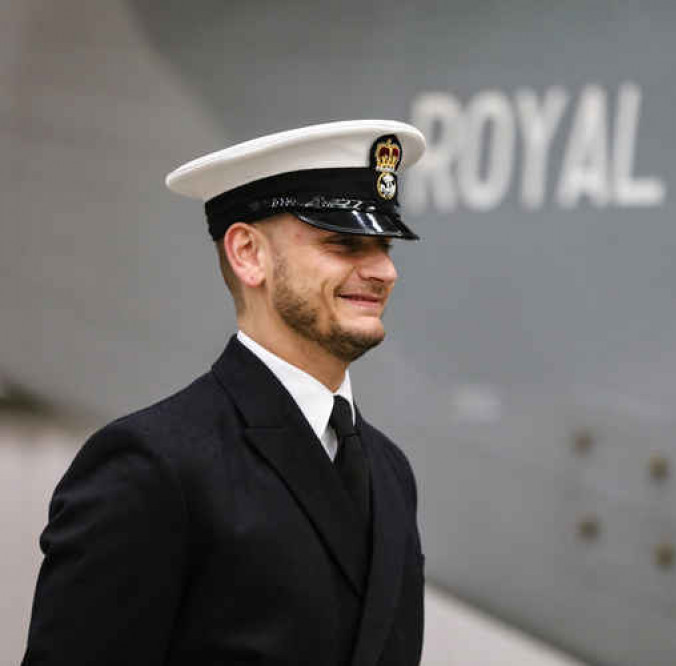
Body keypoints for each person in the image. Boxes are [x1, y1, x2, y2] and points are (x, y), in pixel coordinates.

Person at [22, 120, 427, 665]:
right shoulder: (150, 466)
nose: (383, 271)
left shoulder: (389, 470)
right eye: (344, 242)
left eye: (384, 245)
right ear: (248, 254)